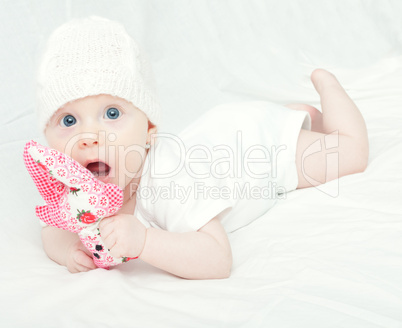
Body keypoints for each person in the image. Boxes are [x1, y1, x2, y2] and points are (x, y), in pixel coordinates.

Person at [37, 16, 369, 279]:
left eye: (111, 114)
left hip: (256, 149)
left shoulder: (169, 183)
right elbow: (52, 231)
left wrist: (145, 242)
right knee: (293, 122)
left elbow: (217, 259)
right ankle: (298, 115)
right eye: (68, 121)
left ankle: (327, 88)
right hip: (217, 132)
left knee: (350, 155)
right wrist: (69, 252)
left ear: (149, 130)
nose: (89, 136)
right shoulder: (74, 191)